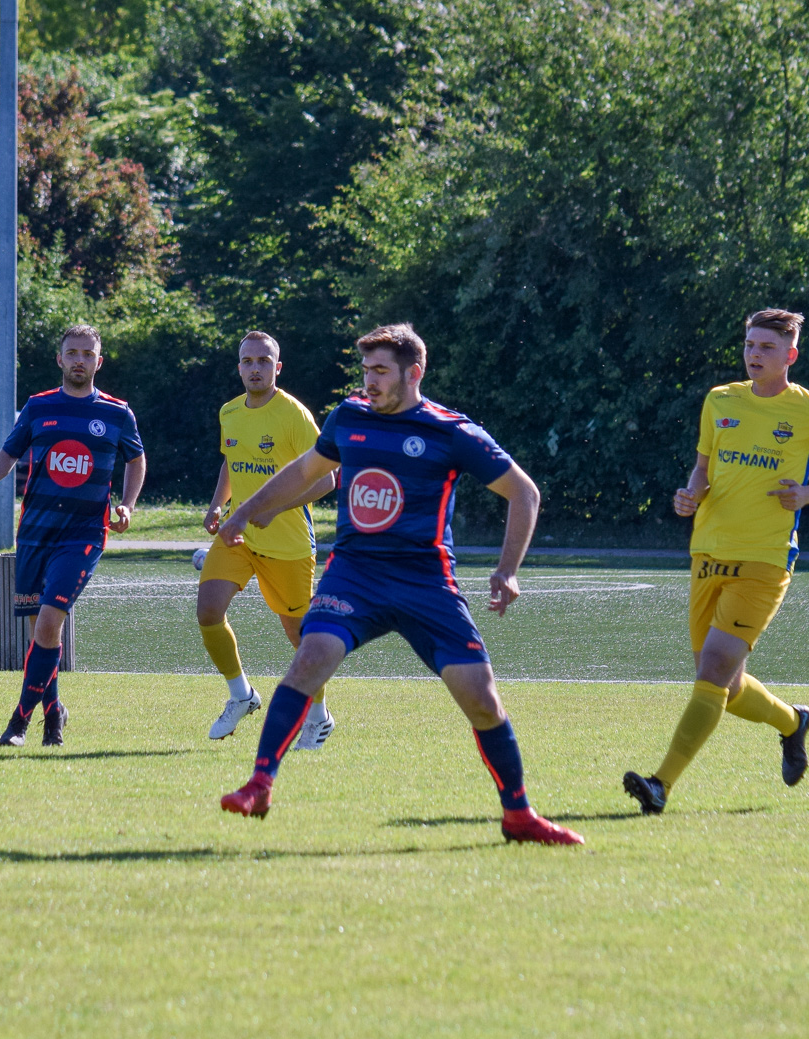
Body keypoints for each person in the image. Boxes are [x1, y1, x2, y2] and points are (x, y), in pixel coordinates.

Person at [214, 323, 582, 845]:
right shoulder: (348, 417)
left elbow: (524, 493)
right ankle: (259, 784)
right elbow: (303, 471)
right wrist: (244, 510)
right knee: (310, 658)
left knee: (481, 699)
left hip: (426, 583)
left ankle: (519, 816)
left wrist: (507, 569)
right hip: (355, 576)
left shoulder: (450, 431)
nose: (370, 380)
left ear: (414, 373)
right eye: (366, 370)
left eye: (381, 371)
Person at [623, 309, 809, 814]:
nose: (755, 354)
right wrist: (691, 494)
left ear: (790, 355)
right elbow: (703, 468)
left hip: (765, 558)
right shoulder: (720, 400)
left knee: (711, 670)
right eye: (750, 345)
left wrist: (807, 493)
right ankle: (793, 722)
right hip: (708, 553)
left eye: (767, 347)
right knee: (724, 687)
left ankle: (660, 785)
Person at [0, 323, 147, 747]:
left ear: (99, 362)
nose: (79, 360)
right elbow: (10, 451)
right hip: (36, 532)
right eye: (72, 353)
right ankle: (54, 713)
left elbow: (136, 460)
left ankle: (18, 721)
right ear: (60, 359)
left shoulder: (117, 413)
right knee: (42, 633)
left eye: (88, 354)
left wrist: (127, 504)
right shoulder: (38, 406)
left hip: (83, 534)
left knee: (50, 622)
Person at [199, 331, 337, 748]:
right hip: (237, 534)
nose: (255, 368)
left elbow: (327, 480)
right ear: (239, 367)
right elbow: (231, 461)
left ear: (277, 367)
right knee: (208, 611)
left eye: (263, 361)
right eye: (247, 361)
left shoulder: (293, 415)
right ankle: (241, 694)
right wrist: (217, 505)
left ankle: (318, 716)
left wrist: (277, 508)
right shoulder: (229, 411)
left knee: (299, 637)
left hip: (288, 545)